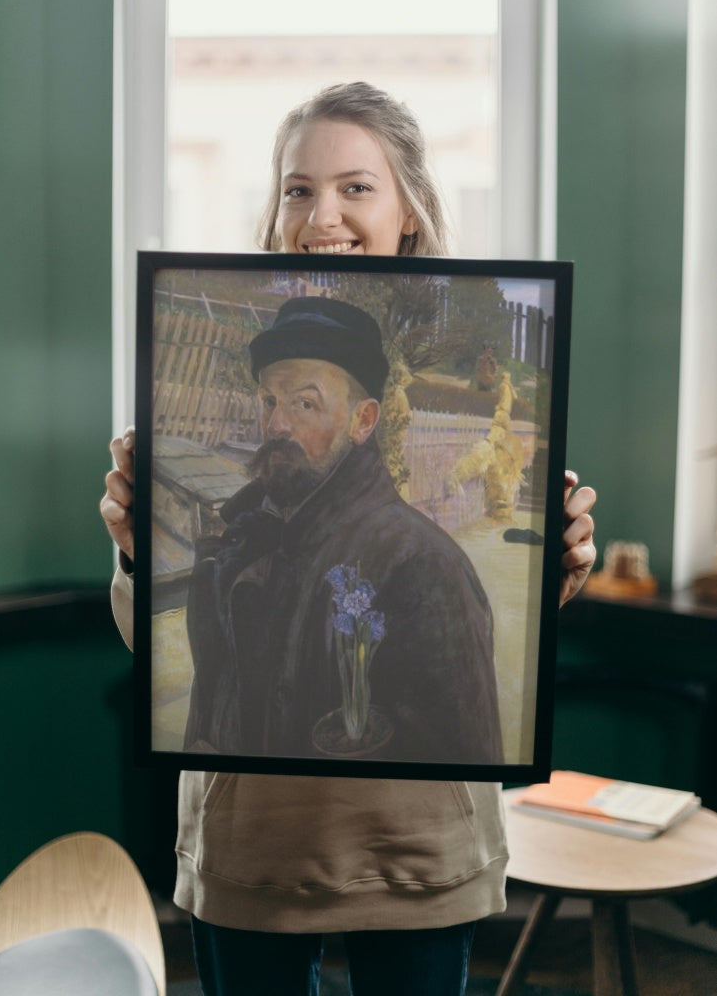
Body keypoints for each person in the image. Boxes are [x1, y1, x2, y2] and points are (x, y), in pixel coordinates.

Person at [101, 81, 597, 996]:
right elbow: (178, 671)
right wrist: (136, 553)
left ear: (408, 208)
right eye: (297, 188)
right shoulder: (236, 520)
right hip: (249, 851)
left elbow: (468, 705)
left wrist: (557, 576)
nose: (320, 213)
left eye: (355, 187)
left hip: (410, 857)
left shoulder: (421, 555)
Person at [184, 295, 503, 764]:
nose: (275, 424)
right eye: (269, 401)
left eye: (304, 403)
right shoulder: (248, 536)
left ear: (364, 420)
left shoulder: (422, 564)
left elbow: (461, 769)